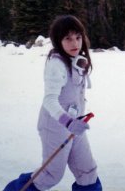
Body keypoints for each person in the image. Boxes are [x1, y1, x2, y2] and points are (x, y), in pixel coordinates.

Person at [31, 15, 102, 191]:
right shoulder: (57, 64)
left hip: (74, 125)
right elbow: (49, 100)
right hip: (55, 126)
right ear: (58, 41)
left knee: (87, 172)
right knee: (51, 175)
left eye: (78, 37)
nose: (75, 43)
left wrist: (74, 121)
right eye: (68, 38)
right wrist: (69, 122)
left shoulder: (77, 60)